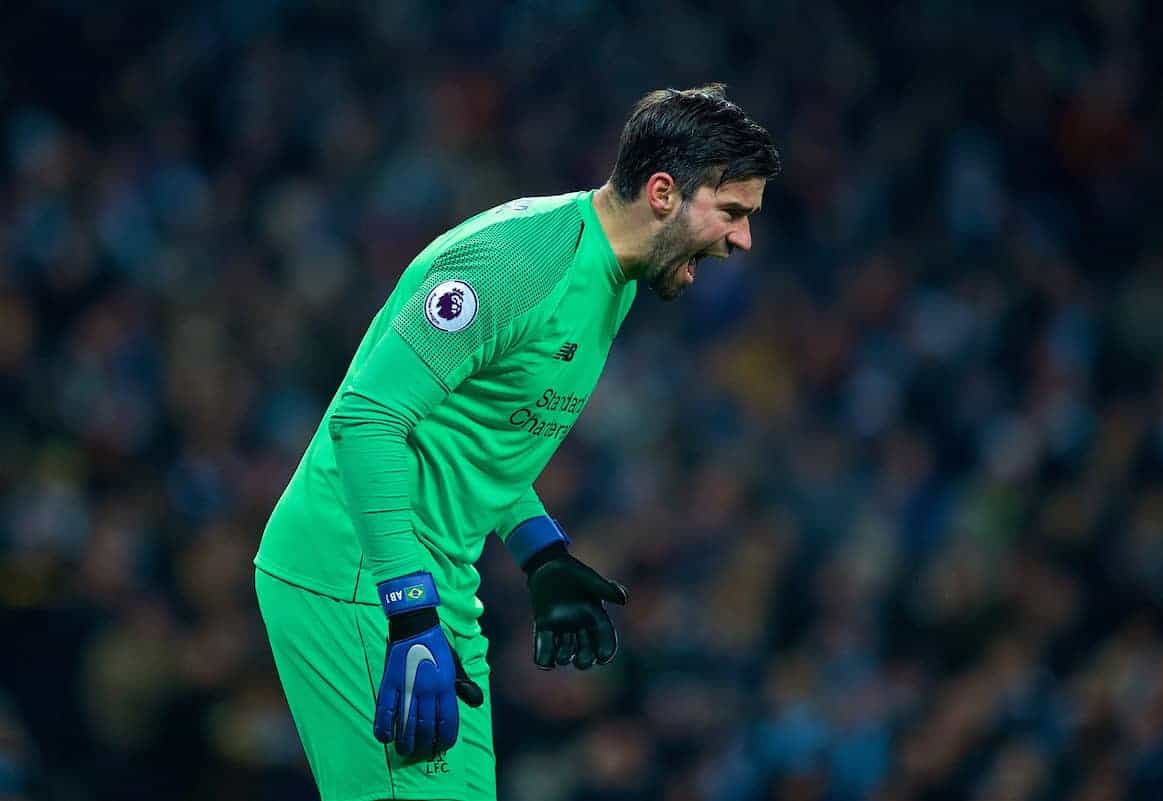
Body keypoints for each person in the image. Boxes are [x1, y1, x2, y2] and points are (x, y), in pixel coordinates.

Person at [253, 83, 781, 801]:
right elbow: (366, 418)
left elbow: (482, 435)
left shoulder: (615, 276)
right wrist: (407, 611)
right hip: (357, 577)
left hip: (434, 586)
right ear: (663, 193)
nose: (742, 239)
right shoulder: (519, 263)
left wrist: (542, 552)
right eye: (732, 213)